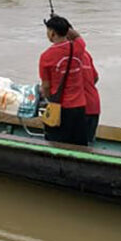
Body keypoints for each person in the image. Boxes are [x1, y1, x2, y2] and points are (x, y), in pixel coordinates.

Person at [38, 15, 94, 146]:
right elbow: (76, 35)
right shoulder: (78, 47)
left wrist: (48, 99)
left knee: (56, 142)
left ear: (52, 33)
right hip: (80, 107)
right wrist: (63, 25)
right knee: (79, 142)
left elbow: (46, 86)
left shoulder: (46, 56)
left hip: (60, 107)